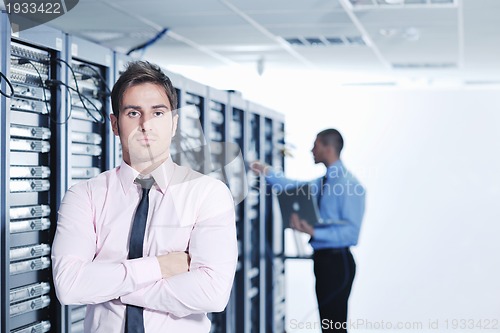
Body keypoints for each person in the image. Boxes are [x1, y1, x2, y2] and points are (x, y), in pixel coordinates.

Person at [52, 61, 237, 333]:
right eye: (133, 113)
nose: (146, 124)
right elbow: (69, 288)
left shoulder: (207, 194)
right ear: (115, 124)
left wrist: (112, 289)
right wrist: (161, 266)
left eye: (158, 113)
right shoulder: (84, 196)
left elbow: (213, 293)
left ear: (174, 124)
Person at [251, 128, 365, 333]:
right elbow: (293, 186)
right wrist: (266, 172)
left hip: (338, 262)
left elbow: (351, 234)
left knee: (334, 327)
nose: (312, 150)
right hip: (323, 261)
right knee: (328, 326)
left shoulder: (350, 185)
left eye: (316, 145)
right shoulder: (323, 182)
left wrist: (313, 232)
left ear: (328, 148)